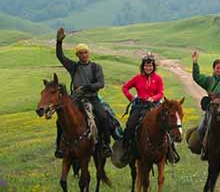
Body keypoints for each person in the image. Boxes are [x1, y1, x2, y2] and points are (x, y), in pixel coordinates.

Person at [55, 27, 112, 158]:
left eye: (85, 52)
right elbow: (60, 56)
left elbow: (100, 83)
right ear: (77, 55)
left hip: (92, 98)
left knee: (103, 117)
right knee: (60, 121)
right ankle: (59, 147)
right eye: (80, 53)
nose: (84, 55)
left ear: (89, 53)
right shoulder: (73, 67)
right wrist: (59, 42)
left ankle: (106, 144)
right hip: (76, 100)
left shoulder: (96, 67)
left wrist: (86, 87)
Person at [121, 53, 164, 159]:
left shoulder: (158, 78)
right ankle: (127, 149)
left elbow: (161, 93)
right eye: (146, 65)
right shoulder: (137, 78)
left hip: (154, 105)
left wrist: (153, 98)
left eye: (150, 66)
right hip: (140, 105)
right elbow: (125, 88)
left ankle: (170, 150)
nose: (148, 68)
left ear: (153, 67)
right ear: (142, 66)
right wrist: (131, 98)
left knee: (165, 125)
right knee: (130, 125)